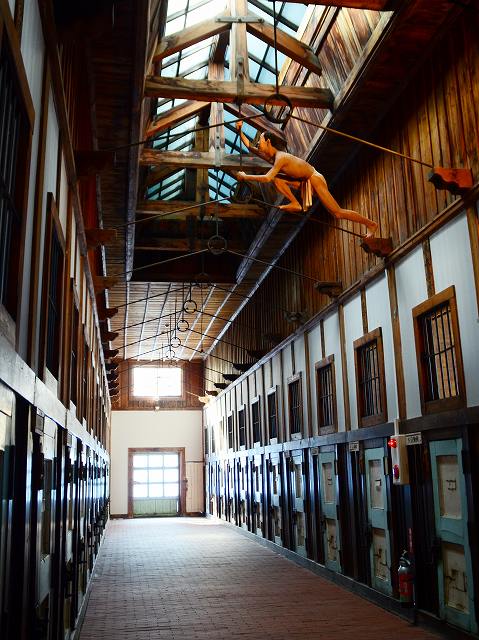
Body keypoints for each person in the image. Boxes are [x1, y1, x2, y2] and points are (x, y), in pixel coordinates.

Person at [235, 121, 378, 239]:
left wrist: (245, 177)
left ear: (268, 142)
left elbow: (267, 178)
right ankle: (295, 203)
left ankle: (371, 224)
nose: (258, 145)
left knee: (337, 213)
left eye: (260, 142)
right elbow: (249, 146)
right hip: (304, 182)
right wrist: (239, 130)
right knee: (277, 179)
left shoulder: (280, 158)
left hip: (314, 179)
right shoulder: (270, 157)